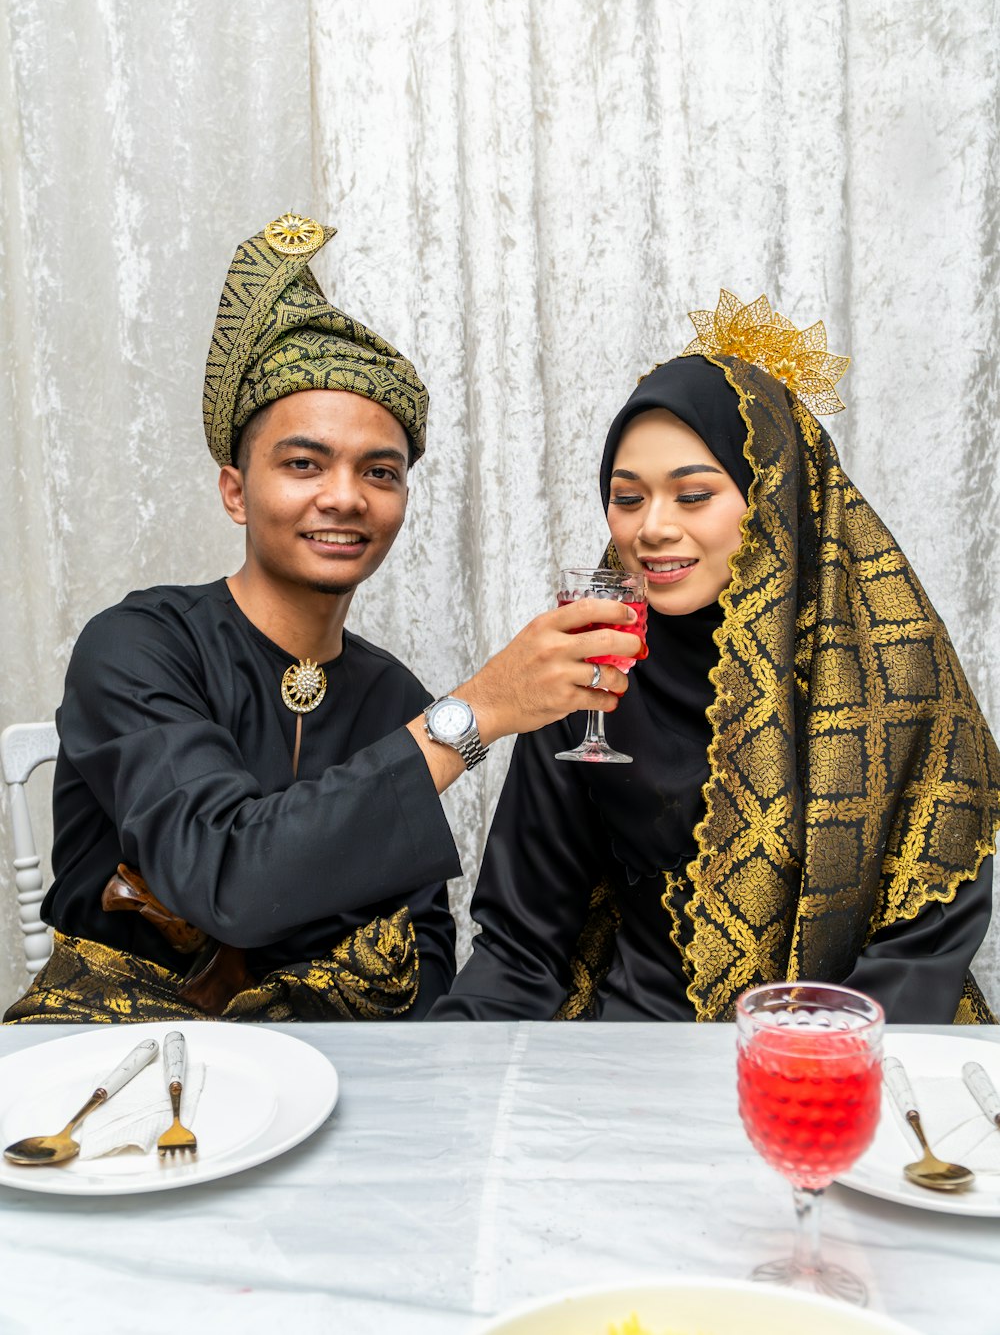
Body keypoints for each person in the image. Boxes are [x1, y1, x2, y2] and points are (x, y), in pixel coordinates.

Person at [4, 213, 640, 1025]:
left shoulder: (387, 694)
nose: (344, 496)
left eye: (380, 470)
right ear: (235, 489)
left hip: (325, 1068)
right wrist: (475, 713)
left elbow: (420, 944)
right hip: (119, 1059)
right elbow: (228, 877)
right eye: (303, 463)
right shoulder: (136, 647)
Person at [435, 290, 999, 1025]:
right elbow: (522, 941)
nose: (653, 528)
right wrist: (450, 1074)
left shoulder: (893, 668)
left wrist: (800, 1075)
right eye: (627, 498)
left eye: (693, 495)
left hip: (843, 1068)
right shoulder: (587, 670)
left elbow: (923, 944)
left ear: (775, 499)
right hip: (631, 1070)